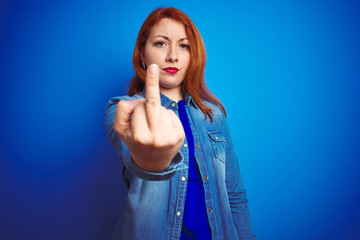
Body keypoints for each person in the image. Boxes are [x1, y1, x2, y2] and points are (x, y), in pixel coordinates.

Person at [105, 7, 256, 240]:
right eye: (161, 43)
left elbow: (235, 194)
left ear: (192, 55)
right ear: (142, 53)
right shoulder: (124, 109)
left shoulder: (213, 115)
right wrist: (151, 162)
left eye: (183, 45)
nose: (173, 56)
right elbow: (132, 153)